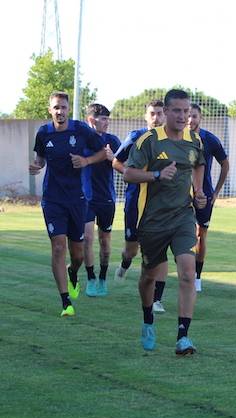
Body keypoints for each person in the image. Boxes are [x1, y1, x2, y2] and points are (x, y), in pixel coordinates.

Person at [123, 89, 207, 355]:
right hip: (152, 221)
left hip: (183, 216)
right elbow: (128, 173)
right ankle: (148, 319)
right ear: (166, 112)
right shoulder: (149, 140)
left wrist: (199, 191)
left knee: (187, 272)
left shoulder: (195, 140)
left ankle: (183, 336)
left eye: (187, 111)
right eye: (178, 111)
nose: (183, 116)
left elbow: (198, 164)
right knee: (149, 276)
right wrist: (157, 174)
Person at [29, 91, 107, 316]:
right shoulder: (43, 133)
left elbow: (104, 152)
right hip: (53, 199)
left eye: (63, 107)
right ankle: (66, 302)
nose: (60, 111)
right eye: (56, 107)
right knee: (58, 247)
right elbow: (41, 158)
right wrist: (37, 165)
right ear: (50, 110)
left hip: (77, 199)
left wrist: (86, 160)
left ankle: (73, 272)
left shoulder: (80, 129)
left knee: (78, 254)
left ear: (68, 108)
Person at [113, 100, 170, 313]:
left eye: (159, 113)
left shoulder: (170, 140)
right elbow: (116, 162)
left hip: (161, 205)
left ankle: (157, 298)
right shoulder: (135, 137)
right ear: (146, 116)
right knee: (132, 249)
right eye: (152, 114)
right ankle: (125, 263)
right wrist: (134, 175)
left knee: (160, 251)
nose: (156, 118)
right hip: (135, 203)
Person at [188, 103, 230, 292]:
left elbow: (225, 164)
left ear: (200, 118)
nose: (190, 120)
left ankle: (197, 276)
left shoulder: (210, 139)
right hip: (180, 195)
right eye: (188, 115)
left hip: (203, 195)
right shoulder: (175, 137)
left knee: (200, 235)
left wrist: (216, 192)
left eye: (194, 116)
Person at [81, 103, 120, 297]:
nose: (107, 122)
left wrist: (113, 158)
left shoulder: (112, 140)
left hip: (106, 198)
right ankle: (90, 278)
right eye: (103, 118)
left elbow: (126, 165)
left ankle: (103, 277)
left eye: (107, 118)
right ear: (91, 120)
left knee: (104, 242)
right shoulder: (81, 140)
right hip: (86, 198)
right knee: (87, 239)